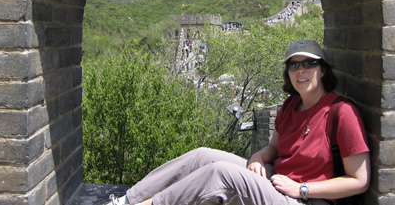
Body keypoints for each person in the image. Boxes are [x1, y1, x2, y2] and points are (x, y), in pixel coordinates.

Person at [106, 40, 370, 205]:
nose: (301, 70)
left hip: (306, 199)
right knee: (202, 156)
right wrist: (257, 156)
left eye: (309, 63)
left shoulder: (340, 112)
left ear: (323, 69)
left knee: (221, 173)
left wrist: (301, 188)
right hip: (277, 181)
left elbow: (359, 181)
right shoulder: (291, 105)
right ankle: (127, 201)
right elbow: (273, 150)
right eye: (294, 65)